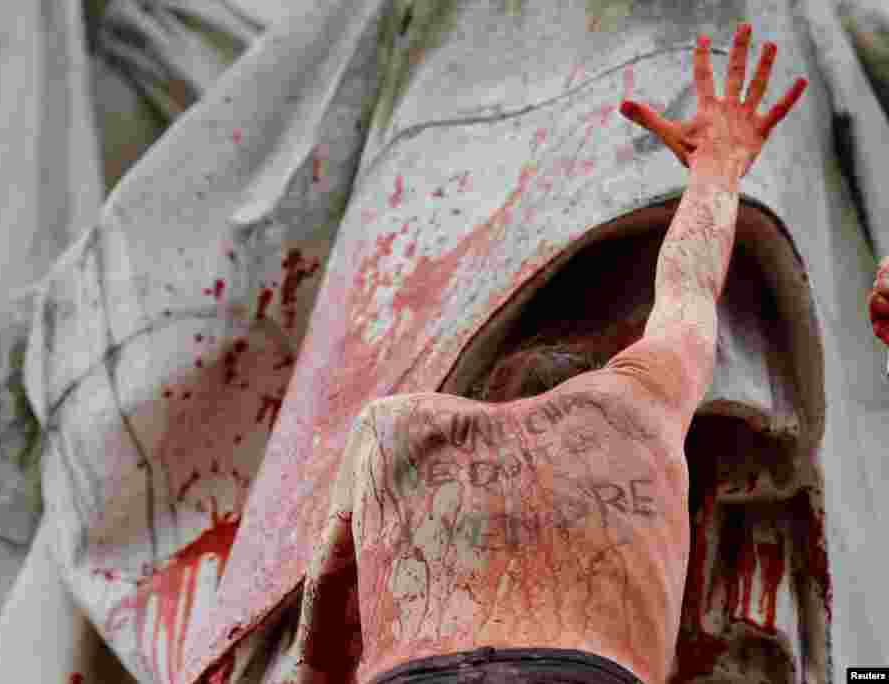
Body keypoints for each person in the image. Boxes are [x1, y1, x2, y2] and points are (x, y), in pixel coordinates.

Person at [294, 23, 807, 684]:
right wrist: (717, 169)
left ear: (481, 395)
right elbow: (689, 287)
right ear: (588, 376)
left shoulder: (392, 431)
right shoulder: (629, 407)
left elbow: (321, 641)